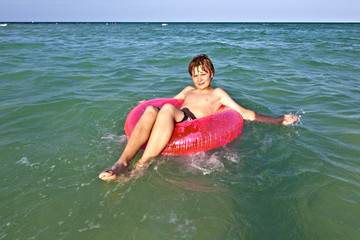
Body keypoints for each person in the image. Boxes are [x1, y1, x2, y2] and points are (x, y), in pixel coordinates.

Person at [99, 54, 298, 181]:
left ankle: (142, 165)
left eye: (203, 74)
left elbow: (243, 113)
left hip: (191, 124)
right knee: (151, 110)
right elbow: (167, 102)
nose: (199, 79)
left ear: (211, 74)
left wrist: (276, 120)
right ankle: (122, 164)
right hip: (176, 118)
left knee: (167, 109)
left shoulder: (218, 93)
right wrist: (146, 106)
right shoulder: (187, 90)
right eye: (195, 75)